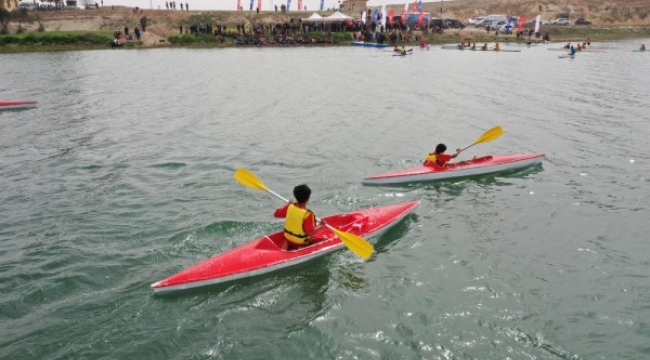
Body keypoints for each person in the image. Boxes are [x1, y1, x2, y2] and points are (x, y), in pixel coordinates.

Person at [274, 185, 325, 250]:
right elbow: (309, 232)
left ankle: (284, 249)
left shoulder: (290, 206)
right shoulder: (307, 214)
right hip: (300, 242)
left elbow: (276, 214)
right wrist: (321, 225)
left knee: (289, 240)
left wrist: (287, 205)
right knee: (324, 239)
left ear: (295, 196)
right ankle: (301, 248)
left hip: (288, 238)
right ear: (308, 199)